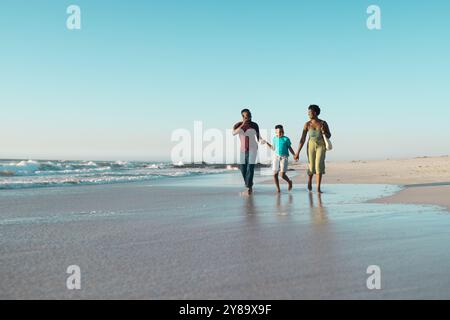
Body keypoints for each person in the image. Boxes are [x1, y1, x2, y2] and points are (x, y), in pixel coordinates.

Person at [294, 105, 331, 193]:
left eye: (310, 112)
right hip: (310, 146)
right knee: (311, 165)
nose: (308, 114)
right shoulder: (307, 124)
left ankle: (318, 188)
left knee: (319, 165)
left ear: (315, 112)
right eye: (308, 112)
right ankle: (310, 181)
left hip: (321, 146)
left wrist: (324, 132)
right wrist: (297, 152)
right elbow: (302, 139)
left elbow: (329, 135)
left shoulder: (323, 123)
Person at [232, 109, 260, 195]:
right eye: (246, 115)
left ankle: (248, 188)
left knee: (250, 168)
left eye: (249, 114)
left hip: (253, 149)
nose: (249, 116)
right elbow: (233, 133)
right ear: (243, 116)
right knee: (243, 169)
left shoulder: (255, 125)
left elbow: (258, 137)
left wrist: (261, 141)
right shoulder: (238, 125)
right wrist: (243, 124)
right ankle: (249, 184)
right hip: (243, 150)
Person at [262, 125, 295, 193]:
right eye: (278, 132)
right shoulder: (274, 138)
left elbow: (290, 148)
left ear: (283, 131)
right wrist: (266, 143)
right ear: (276, 132)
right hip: (276, 157)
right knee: (275, 174)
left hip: (284, 157)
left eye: (281, 131)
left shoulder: (286, 139)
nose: (280, 133)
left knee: (282, 175)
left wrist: (295, 155)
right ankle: (278, 189)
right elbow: (273, 148)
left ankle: (289, 182)